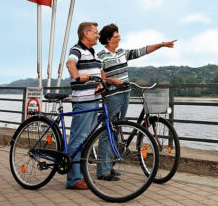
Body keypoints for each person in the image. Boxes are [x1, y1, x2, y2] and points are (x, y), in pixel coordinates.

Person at [96, 23, 176, 179]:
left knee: (117, 129)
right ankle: (103, 171)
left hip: (126, 94)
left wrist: (161, 45)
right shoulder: (101, 56)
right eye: (116, 36)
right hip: (112, 96)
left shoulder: (121, 52)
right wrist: (113, 80)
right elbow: (101, 79)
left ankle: (109, 164)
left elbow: (142, 51)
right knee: (108, 131)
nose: (119, 38)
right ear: (108, 38)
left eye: (119, 35)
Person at [65, 22, 101, 190]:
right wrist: (77, 76)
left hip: (93, 101)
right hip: (83, 102)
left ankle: (80, 174)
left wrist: (102, 84)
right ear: (86, 33)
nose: (98, 35)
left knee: (86, 139)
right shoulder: (77, 49)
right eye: (96, 32)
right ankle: (73, 179)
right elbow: (70, 63)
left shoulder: (93, 53)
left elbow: (98, 74)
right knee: (78, 139)